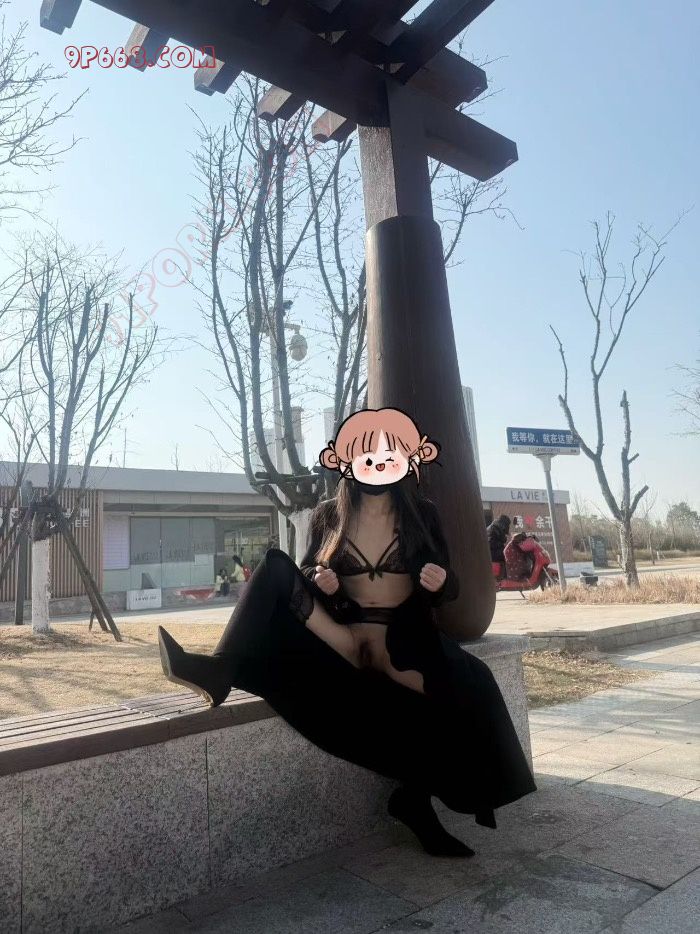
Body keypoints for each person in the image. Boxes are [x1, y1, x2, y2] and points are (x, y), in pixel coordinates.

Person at [158, 408, 536, 858]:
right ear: (347, 462)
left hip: (400, 644)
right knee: (275, 566)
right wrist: (321, 581)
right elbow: (305, 572)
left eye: (389, 457)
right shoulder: (327, 516)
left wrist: (440, 582)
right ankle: (220, 669)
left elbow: (448, 585)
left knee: (461, 691)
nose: (377, 465)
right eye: (366, 457)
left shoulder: (423, 515)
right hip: (343, 635)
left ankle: (414, 801)